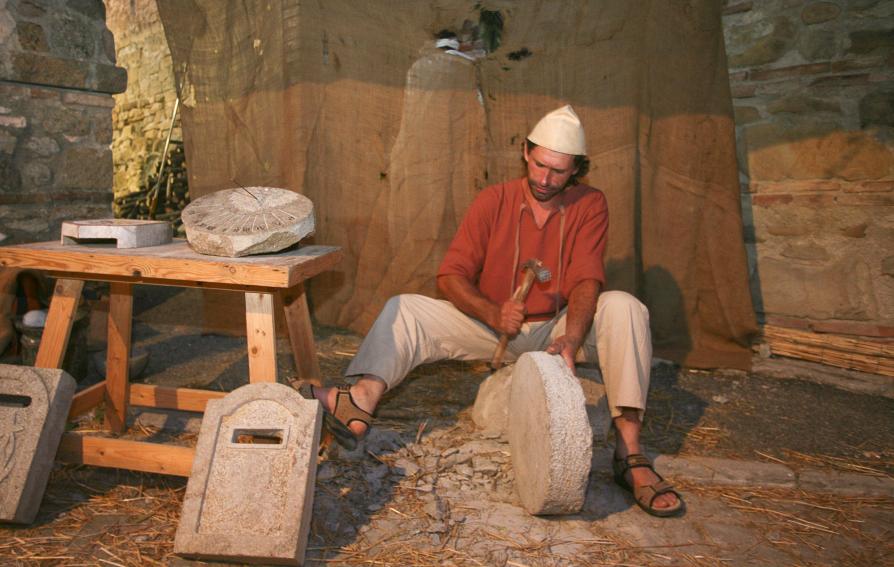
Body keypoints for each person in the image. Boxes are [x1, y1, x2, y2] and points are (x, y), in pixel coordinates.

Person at [293, 105, 684, 517]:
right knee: (404, 308)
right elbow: (451, 276)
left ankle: (630, 455)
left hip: (556, 330)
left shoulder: (590, 203)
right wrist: (492, 312)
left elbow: (587, 277)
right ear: (526, 155)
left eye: (559, 171)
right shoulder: (493, 199)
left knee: (626, 307)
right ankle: (358, 401)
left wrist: (573, 336)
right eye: (538, 165)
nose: (545, 179)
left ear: (577, 171)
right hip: (492, 328)